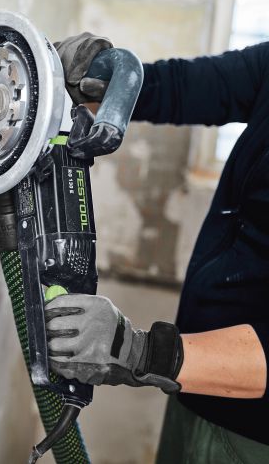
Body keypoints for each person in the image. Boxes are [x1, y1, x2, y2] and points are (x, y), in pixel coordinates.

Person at [49, 34, 269, 463]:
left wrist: (141, 352)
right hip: (194, 388)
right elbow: (186, 87)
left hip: (253, 432)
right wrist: (107, 76)